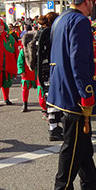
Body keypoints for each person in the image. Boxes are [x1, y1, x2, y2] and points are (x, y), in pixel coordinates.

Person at [47, 0, 96, 190]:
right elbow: (79, 60)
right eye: (92, 1)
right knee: (72, 144)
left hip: (62, 87)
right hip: (75, 91)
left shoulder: (61, 19)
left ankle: (90, 181)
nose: (93, 5)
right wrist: (86, 92)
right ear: (87, 1)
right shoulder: (81, 21)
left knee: (83, 139)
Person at [36, 12, 63, 141]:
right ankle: (53, 128)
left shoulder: (43, 32)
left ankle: (54, 127)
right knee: (52, 100)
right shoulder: (48, 32)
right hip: (49, 69)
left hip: (45, 69)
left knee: (51, 99)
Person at [17, 31, 38, 113]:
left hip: (36, 73)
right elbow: (20, 61)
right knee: (25, 89)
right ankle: (25, 104)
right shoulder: (23, 51)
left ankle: (44, 105)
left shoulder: (37, 50)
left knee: (41, 90)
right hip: (26, 73)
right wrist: (21, 71)